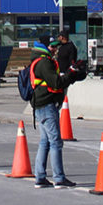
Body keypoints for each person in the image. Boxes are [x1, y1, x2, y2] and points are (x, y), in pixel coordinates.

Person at [28, 40, 78, 189]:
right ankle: (59, 178)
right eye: (52, 46)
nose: (55, 49)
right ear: (44, 47)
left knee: (45, 141)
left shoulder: (40, 60)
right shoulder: (44, 63)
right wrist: (72, 73)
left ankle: (40, 177)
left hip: (41, 104)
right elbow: (55, 82)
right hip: (46, 105)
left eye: (56, 46)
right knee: (56, 141)